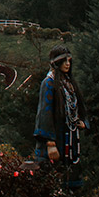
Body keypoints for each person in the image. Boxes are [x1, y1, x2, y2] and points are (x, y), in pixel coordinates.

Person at [34, 45, 88, 188]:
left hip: (71, 139)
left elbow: (78, 107)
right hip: (56, 138)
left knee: (70, 181)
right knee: (52, 181)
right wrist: (50, 144)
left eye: (69, 61)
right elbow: (44, 113)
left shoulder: (69, 83)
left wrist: (83, 122)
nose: (67, 64)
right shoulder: (49, 83)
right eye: (63, 61)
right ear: (56, 63)